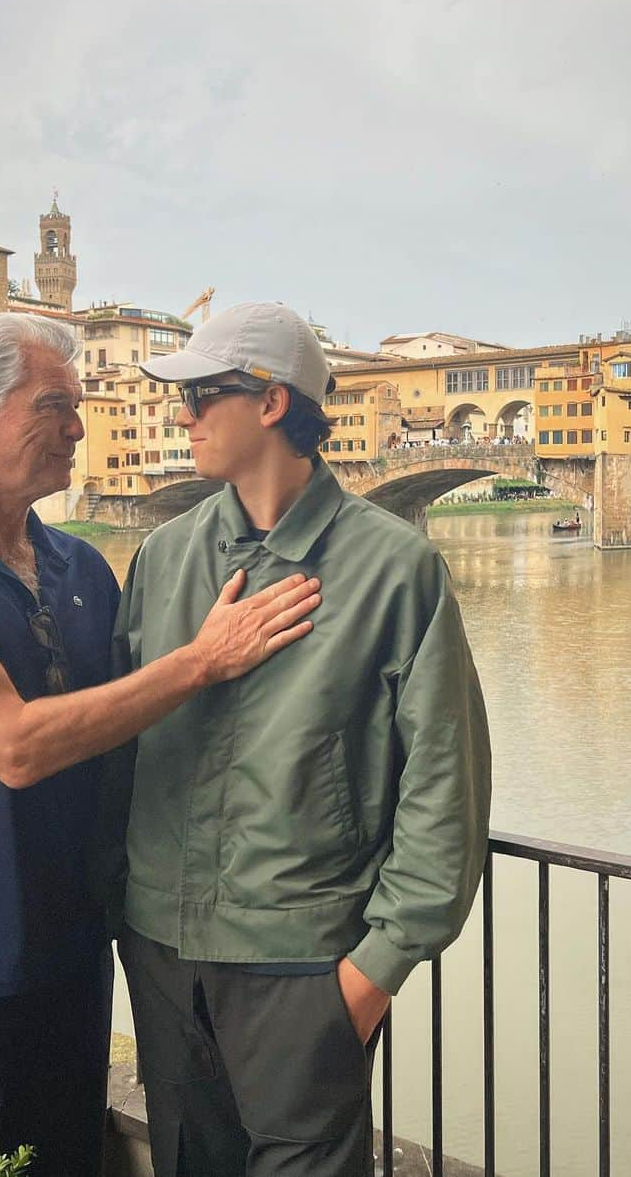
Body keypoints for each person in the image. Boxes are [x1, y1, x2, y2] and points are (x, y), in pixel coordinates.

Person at [0, 312, 320, 1177]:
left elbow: (135, 752)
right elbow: (12, 744)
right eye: (56, 404)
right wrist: (202, 660)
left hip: (67, 964)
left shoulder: (85, 571)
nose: (80, 427)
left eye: (80, 404)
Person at [113, 303, 491, 1177]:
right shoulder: (165, 557)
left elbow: (446, 780)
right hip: (165, 956)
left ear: (273, 400)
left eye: (204, 395)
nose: (184, 415)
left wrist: (375, 968)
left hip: (303, 964)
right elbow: (124, 747)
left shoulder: (395, 568)